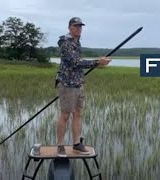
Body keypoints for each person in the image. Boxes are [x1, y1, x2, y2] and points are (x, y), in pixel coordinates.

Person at [55, 17, 111, 157]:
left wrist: (97, 61)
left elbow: (78, 62)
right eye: (76, 26)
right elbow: (75, 62)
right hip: (67, 84)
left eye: (80, 26)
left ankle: (76, 144)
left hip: (78, 84)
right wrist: (98, 61)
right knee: (65, 115)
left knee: (78, 113)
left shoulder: (76, 42)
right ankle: (60, 145)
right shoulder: (66, 44)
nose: (79, 28)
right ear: (69, 28)